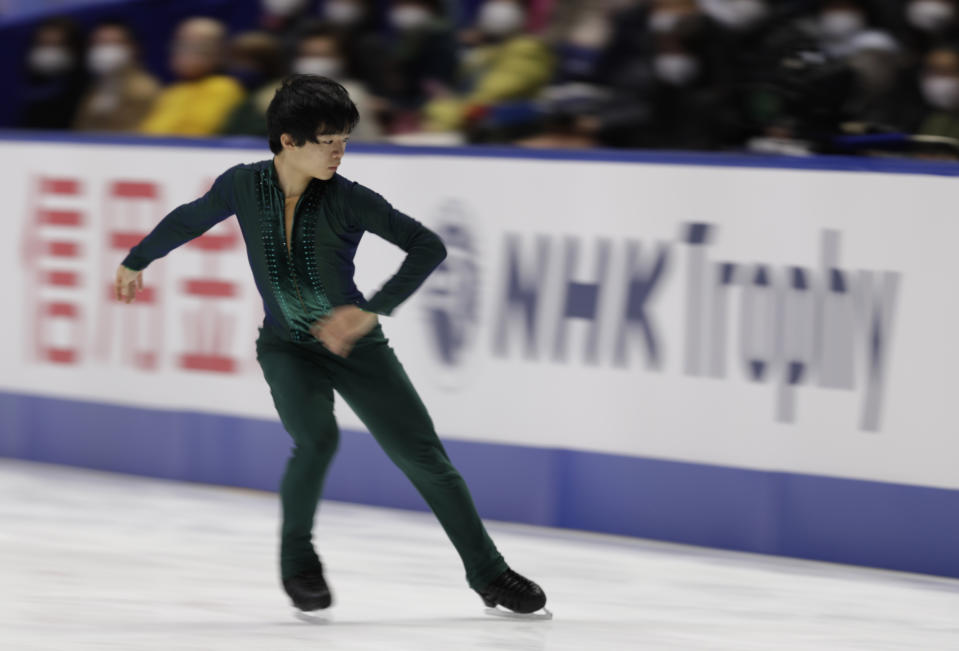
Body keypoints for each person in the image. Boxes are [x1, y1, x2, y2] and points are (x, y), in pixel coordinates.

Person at [113, 74, 548, 616]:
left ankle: (489, 574)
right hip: (286, 347)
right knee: (317, 440)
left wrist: (372, 311)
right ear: (288, 141)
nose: (340, 152)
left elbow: (426, 245)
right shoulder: (242, 185)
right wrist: (137, 259)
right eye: (327, 141)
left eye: (345, 139)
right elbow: (191, 218)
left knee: (425, 457)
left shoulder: (349, 199)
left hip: (357, 349)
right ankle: (298, 562)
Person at [139, 16, 245, 136]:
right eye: (180, 45)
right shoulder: (173, 91)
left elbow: (195, 134)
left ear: (220, 52)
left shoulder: (223, 88)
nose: (183, 53)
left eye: (198, 47)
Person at [73, 20, 161, 132]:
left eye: (114, 43)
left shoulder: (145, 89)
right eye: (99, 43)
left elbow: (143, 134)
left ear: (133, 48)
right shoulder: (93, 87)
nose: (105, 50)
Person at [17, 16, 87, 129]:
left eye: (57, 44)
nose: (50, 51)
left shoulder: (84, 86)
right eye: (44, 44)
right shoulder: (22, 81)